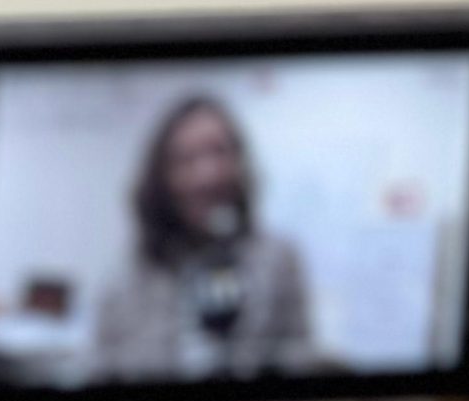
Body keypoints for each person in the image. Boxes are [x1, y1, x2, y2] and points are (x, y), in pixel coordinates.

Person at [90, 93, 320, 382]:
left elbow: (300, 361)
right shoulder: (122, 282)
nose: (207, 175)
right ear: (161, 176)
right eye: (187, 159)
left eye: (218, 152)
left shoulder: (279, 260)